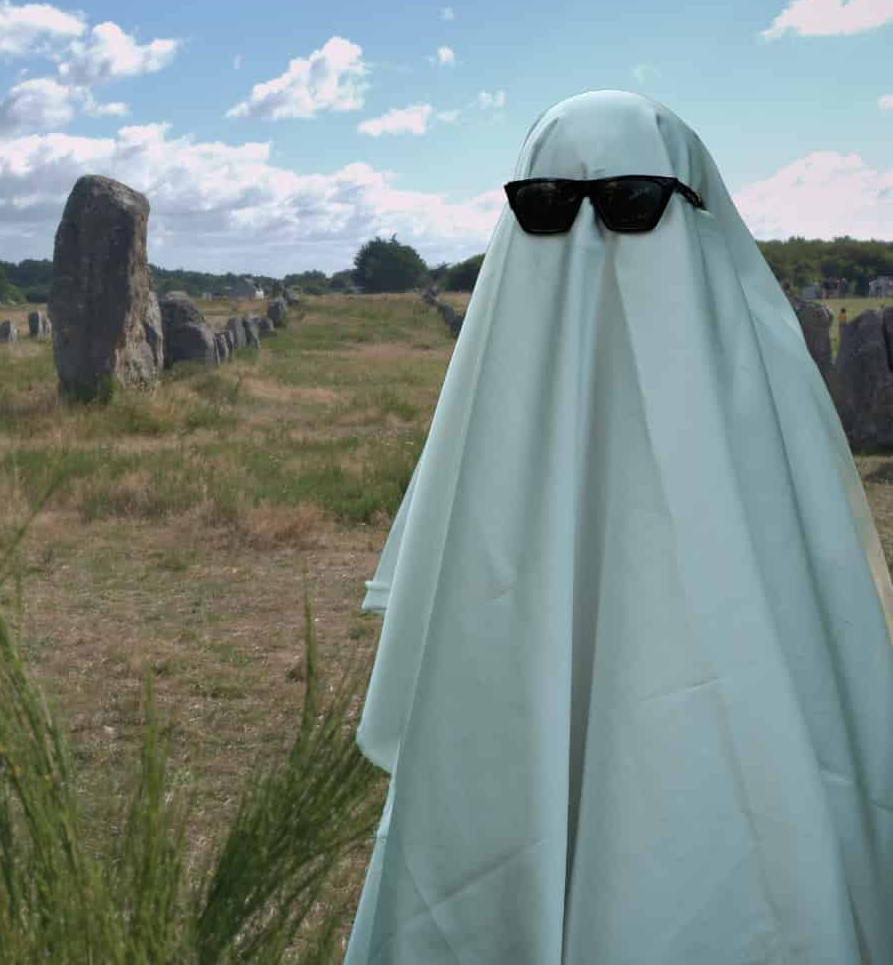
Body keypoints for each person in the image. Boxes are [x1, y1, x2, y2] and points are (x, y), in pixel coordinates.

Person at [344, 90, 893, 964]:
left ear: (697, 209)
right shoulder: (494, 418)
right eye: (547, 204)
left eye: (632, 202)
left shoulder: (765, 403)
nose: (589, 235)